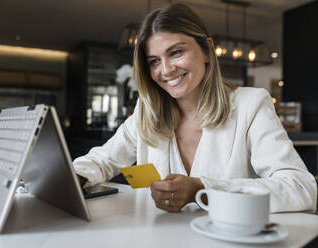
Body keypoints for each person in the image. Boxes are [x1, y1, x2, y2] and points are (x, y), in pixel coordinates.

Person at [74, 3, 317, 213]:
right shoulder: (147, 111)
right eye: (154, 61)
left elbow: (302, 188)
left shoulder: (250, 105)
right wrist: (72, 177)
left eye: (176, 52)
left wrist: (204, 189)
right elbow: (102, 160)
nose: (166, 70)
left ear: (207, 51)